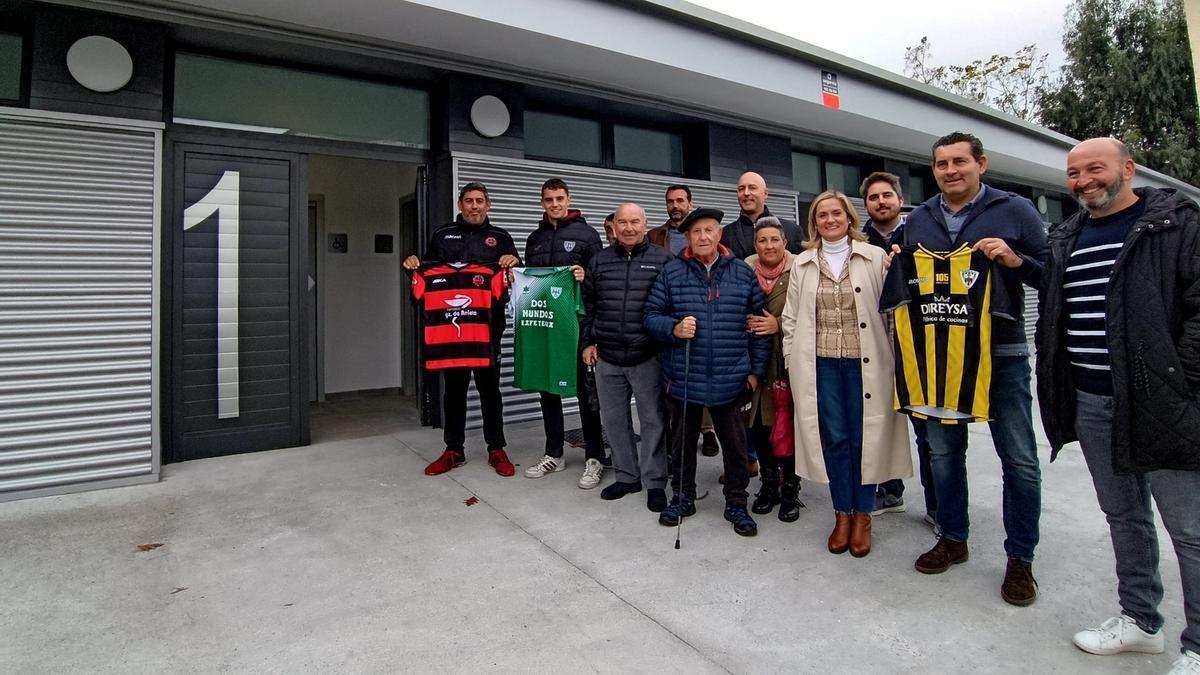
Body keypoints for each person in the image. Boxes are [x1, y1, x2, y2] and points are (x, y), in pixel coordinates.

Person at [1036, 137, 1200, 673]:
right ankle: (1141, 621)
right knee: (1124, 515)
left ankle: (1197, 644)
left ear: (1127, 169)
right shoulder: (1068, 235)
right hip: (1091, 400)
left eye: (1095, 169)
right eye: (1074, 173)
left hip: (1160, 402)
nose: (1084, 180)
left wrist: (1182, 380)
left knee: (1190, 529)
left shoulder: (1174, 224)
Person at [900, 131, 1047, 606]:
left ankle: (1020, 559)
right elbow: (903, 276)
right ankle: (953, 538)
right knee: (943, 454)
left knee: (1019, 459)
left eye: (959, 162)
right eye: (941, 164)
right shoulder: (918, 219)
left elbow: (1051, 275)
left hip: (1001, 354)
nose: (950, 171)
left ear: (981, 164)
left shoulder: (1016, 210)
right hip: (938, 358)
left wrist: (1015, 259)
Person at [780, 191, 912, 557]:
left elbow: (890, 313)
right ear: (814, 222)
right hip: (821, 364)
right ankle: (842, 514)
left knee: (865, 437)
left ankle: (864, 515)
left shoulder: (874, 257)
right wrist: (792, 360)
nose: (830, 219)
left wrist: (896, 363)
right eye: (822, 215)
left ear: (849, 218)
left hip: (865, 364)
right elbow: (789, 319)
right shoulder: (803, 263)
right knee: (836, 438)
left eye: (837, 213)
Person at [644, 207, 771, 536]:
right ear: (687, 238)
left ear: (720, 234)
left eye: (709, 230)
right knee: (682, 445)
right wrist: (673, 327)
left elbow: (758, 324)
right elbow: (651, 316)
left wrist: (755, 371)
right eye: (696, 232)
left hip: (732, 377)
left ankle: (736, 504)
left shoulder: (742, 274)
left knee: (736, 447)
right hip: (683, 375)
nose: (703, 237)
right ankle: (683, 497)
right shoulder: (672, 273)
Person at [403, 182, 520, 477]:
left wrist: (513, 263)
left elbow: (517, 281)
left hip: (488, 332)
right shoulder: (443, 235)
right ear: (460, 204)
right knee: (454, 393)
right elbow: (428, 274)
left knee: (490, 391)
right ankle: (453, 449)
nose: (474, 206)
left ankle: (496, 448)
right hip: (452, 335)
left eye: (480, 201)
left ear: (488, 205)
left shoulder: (501, 238)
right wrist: (413, 267)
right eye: (469, 201)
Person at [858, 171, 938, 533]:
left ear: (900, 198)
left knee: (927, 431)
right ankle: (889, 491)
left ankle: (938, 505)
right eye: (873, 197)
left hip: (918, 344)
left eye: (887, 195)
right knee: (877, 424)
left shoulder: (922, 234)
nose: (881, 202)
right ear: (866, 205)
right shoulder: (858, 240)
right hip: (872, 342)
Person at [582, 203, 673, 511]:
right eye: (623, 222)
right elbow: (588, 307)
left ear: (645, 224)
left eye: (635, 222)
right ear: (614, 227)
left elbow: (671, 307)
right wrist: (587, 342)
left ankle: (655, 481)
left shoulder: (663, 260)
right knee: (614, 420)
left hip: (647, 355)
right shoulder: (600, 261)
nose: (629, 228)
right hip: (607, 356)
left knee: (652, 421)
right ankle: (626, 476)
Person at [521, 178, 607, 488]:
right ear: (542, 202)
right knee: (548, 390)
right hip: (546, 325)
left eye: (559, 198)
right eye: (548, 199)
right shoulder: (535, 238)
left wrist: (585, 277)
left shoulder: (587, 235)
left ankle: (595, 457)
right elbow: (530, 281)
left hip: (578, 328)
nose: (555, 204)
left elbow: (601, 280)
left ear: (568, 199)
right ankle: (554, 453)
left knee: (586, 394)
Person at [650, 185, 720, 457]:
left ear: (690, 203)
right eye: (670, 201)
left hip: (704, 310)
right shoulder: (656, 235)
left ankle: (708, 430)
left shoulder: (701, 233)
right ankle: (678, 439)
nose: (675, 205)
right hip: (672, 309)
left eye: (680, 200)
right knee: (679, 379)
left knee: (704, 370)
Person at [743, 217, 803, 522]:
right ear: (755, 245)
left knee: (788, 426)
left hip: (787, 361)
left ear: (785, 243)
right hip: (754, 362)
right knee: (759, 427)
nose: (769, 246)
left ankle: (791, 489)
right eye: (762, 240)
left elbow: (811, 313)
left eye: (774, 240)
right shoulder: (744, 271)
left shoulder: (800, 271)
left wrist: (777, 324)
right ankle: (769, 485)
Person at [723, 172, 803, 259]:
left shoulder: (791, 230)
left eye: (752, 188)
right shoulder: (725, 235)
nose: (746, 193)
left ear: (765, 194)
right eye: (741, 189)